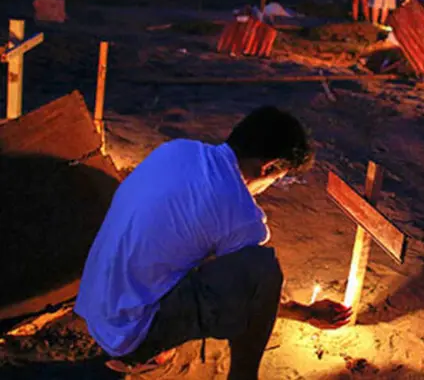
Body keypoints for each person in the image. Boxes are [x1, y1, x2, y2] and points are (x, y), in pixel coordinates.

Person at [75, 106, 352, 379]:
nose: (267, 188)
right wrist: (305, 313)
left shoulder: (178, 149)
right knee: (261, 270)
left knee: (198, 247)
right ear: (267, 168)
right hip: (127, 336)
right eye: (276, 179)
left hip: (93, 306)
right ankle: (243, 375)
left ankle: (151, 333)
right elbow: (252, 294)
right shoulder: (242, 217)